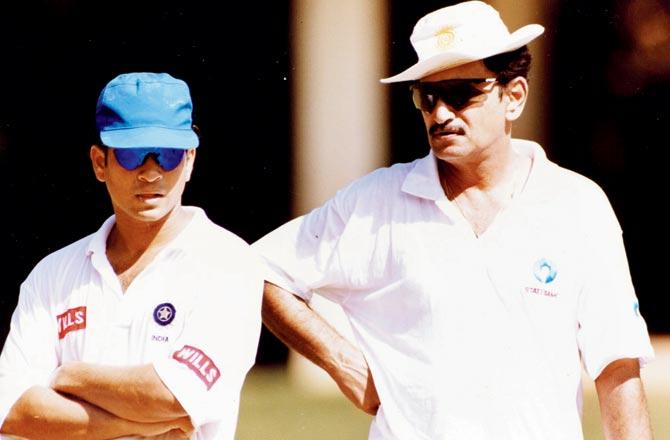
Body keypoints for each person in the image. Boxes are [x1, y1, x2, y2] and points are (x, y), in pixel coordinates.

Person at [253, 2, 655, 439]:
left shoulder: (576, 205)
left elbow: (616, 362)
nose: (441, 113)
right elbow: (259, 271)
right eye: (427, 97)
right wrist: (345, 365)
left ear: (514, 96)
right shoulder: (377, 203)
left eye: (462, 94)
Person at [0, 72, 263, 439]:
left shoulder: (229, 263)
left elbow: (175, 398)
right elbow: (12, 410)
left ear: (189, 161)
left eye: (167, 155)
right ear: (99, 163)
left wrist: (68, 375)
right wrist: (131, 425)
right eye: (132, 154)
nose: (151, 171)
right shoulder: (52, 275)